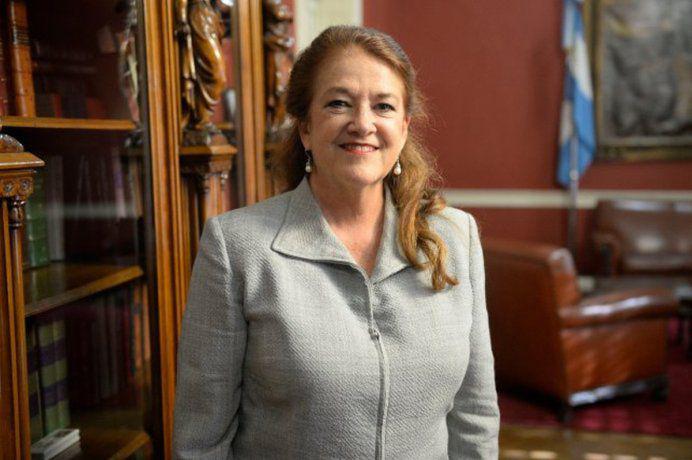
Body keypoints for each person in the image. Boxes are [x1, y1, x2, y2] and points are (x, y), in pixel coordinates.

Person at [173, 25, 500, 459]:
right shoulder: (236, 248)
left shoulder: (456, 238)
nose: (362, 123)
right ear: (305, 127)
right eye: (338, 103)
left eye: (383, 106)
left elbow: (475, 415)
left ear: (403, 128)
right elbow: (202, 441)